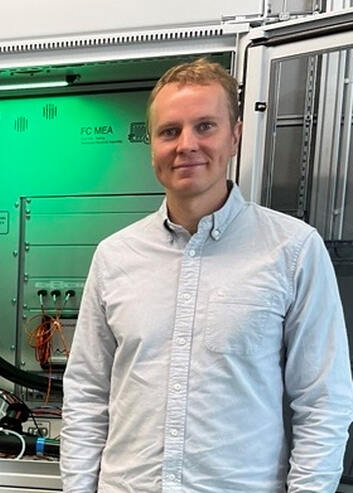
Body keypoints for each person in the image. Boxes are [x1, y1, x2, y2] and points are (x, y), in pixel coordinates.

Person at [61, 58, 353, 492]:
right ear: (152, 146)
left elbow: (322, 402)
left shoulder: (292, 250)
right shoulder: (115, 256)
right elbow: (86, 394)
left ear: (234, 136)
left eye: (205, 126)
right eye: (169, 131)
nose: (186, 145)